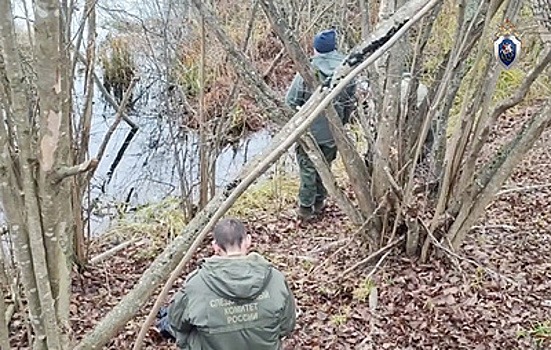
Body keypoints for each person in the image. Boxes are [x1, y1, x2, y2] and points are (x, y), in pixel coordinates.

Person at [166, 218, 297, 350]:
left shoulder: (195, 284)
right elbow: (287, 325)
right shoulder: (275, 278)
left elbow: (176, 324)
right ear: (248, 241)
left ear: (215, 247)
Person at [285, 28, 357, 221]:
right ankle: (320, 202)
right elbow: (351, 101)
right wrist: (342, 124)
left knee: (308, 169)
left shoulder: (307, 71)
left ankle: (306, 209)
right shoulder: (347, 67)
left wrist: (298, 122)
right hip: (334, 133)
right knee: (325, 166)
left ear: (316, 48)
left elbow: (290, 102)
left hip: (310, 132)